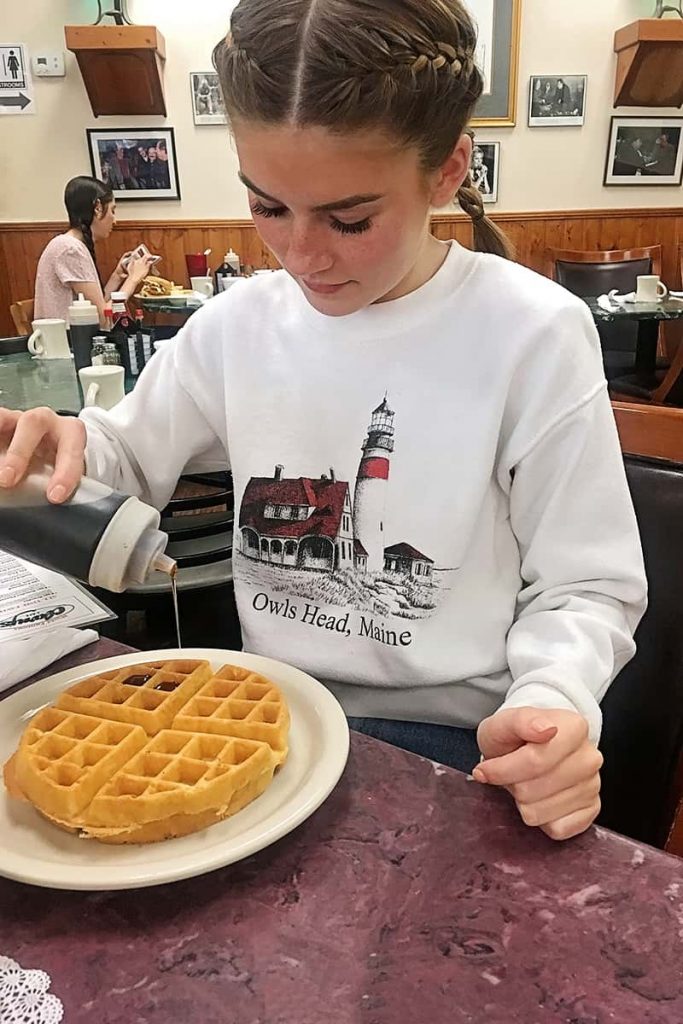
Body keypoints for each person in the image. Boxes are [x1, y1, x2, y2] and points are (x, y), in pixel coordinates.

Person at [1, 0, 646, 842]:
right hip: (263, 717)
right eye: (268, 207)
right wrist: (61, 448)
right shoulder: (239, 325)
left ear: (447, 170)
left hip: (450, 738)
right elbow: (125, 454)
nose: (301, 255)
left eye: (349, 219)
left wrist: (550, 703)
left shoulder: (531, 331)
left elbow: (587, 583)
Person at [33, 176, 155, 325]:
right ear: (97, 208)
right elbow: (103, 318)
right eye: (112, 211)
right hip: (70, 343)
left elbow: (95, 307)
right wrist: (133, 279)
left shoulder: (67, 244)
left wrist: (117, 277)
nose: (115, 221)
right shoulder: (70, 249)